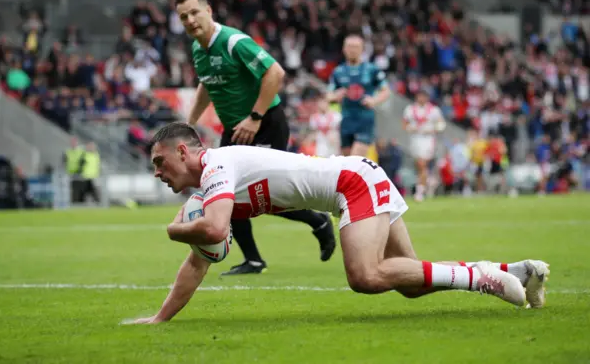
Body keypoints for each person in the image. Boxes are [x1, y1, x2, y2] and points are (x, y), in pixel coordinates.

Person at [126, 122, 549, 324]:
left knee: (364, 276)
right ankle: (515, 272)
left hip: (352, 182)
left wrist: (173, 229)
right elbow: (197, 264)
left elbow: (216, 232)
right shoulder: (209, 192)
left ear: (184, 151)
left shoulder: (216, 164)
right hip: (355, 181)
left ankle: (483, 280)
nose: (158, 173)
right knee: (411, 284)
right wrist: (161, 318)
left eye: (159, 162)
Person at [175, 0, 336, 276]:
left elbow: (275, 73)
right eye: (183, 16)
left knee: (268, 197)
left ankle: (318, 221)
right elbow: (206, 84)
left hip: (265, 124)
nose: (190, 20)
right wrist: (189, 123)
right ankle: (253, 260)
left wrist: (254, 117)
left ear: (209, 10)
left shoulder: (234, 41)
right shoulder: (199, 49)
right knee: (225, 195)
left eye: (194, 12)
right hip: (235, 131)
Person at [327, 35, 391, 157]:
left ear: (362, 49)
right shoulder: (338, 72)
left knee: (356, 158)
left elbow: (386, 91)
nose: (352, 50)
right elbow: (328, 96)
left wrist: (374, 100)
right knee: (346, 162)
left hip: (365, 120)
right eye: (349, 46)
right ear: (344, 49)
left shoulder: (372, 69)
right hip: (346, 119)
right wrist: (336, 96)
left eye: (356, 47)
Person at [403, 90, 446, 202]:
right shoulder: (410, 109)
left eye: (423, 96)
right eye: (419, 96)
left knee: (423, 163)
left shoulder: (434, 110)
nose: (421, 98)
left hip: (428, 139)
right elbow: (404, 124)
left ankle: (419, 192)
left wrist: (433, 129)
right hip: (415, 139)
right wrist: (411, 128)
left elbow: (441, 124)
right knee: (419, 165)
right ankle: (429, 180)